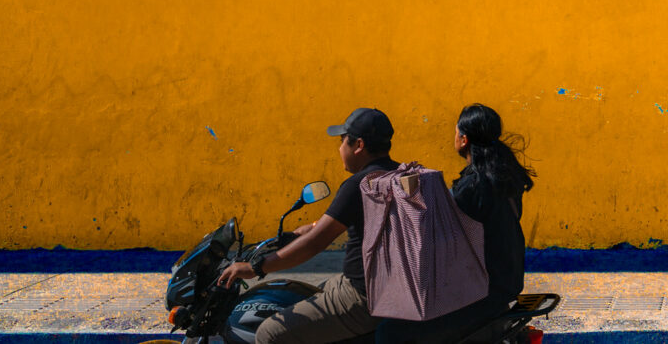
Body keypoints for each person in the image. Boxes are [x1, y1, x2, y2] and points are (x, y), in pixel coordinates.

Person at [218, 108, 399, 344]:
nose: (339, 147)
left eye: (342, 140)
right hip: (389, 289)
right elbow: (326, 227)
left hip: (363, 297)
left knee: (268, 333)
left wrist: (256, 268)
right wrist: (297, 233)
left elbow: (314, 244)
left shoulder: (358, 185)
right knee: (302, 295)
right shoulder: (399, 175)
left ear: (359, 145)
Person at [374, 103, 535, 344]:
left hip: (480, 296)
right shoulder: (505, 178)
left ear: (463, 139)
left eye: (456, 132)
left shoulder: (473, 186)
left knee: (390, 332)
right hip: (504, 286)